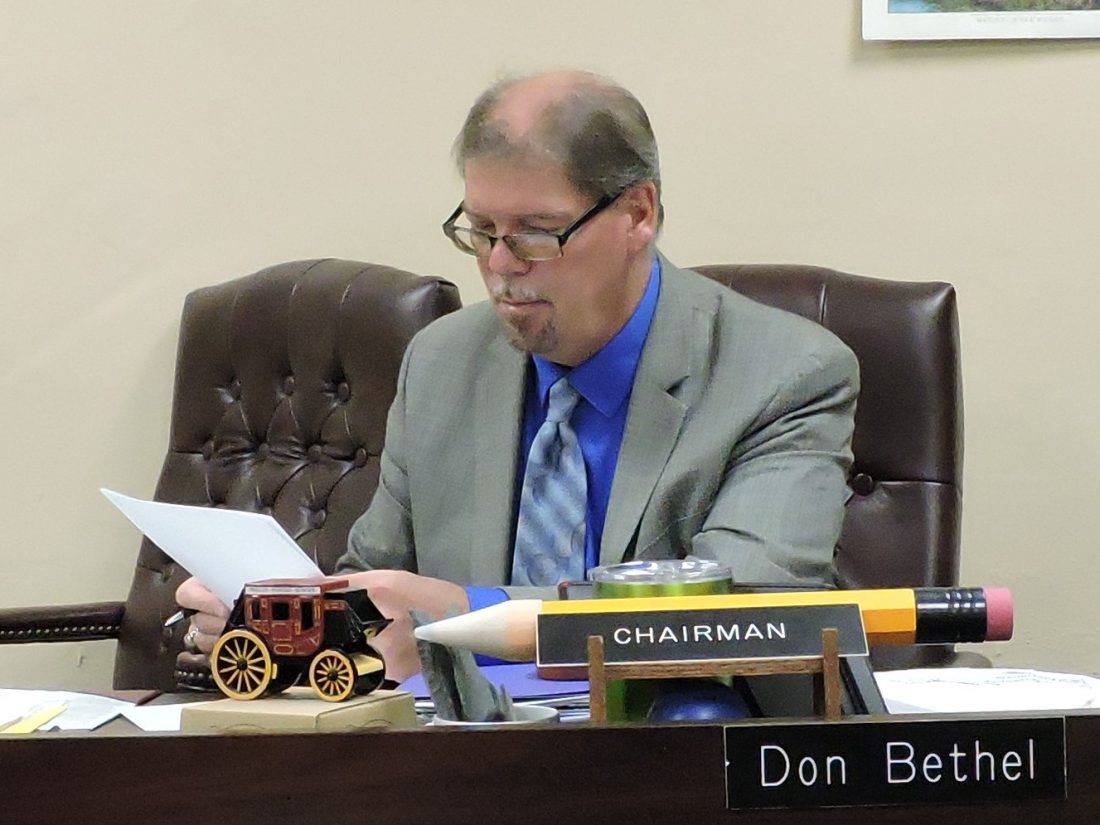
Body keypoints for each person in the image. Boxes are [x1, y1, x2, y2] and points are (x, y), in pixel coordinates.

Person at [177, 70, 859, 681]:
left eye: (536, 232)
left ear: (638, 214)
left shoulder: (782, 373)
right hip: (461, 756)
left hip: (673, 748)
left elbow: (750, 611)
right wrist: (287, 622)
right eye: (481, 230)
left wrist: (468, 618)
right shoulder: (443, 361)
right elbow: (375, 582)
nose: (501, 265)